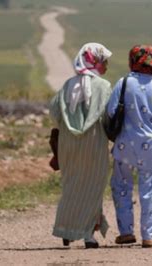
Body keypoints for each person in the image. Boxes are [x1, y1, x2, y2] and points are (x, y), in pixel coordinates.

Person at [49, 43, 113, 249]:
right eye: (104, 61)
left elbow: (55, 113)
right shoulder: (103, 86)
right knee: (92, 188)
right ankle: (88, 235)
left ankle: (67, 228)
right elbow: (108, 116)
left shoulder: (67, 85)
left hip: (68, 144)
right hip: (94, 142)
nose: (106, 65)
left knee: (72, 186)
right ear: (95, 61)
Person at [107, 45, 152, 248]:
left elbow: (110, 111)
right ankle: (148, 235)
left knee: (121, 187)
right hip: (151, 146)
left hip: (125, 145)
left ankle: (126, 231)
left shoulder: (124, 82)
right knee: (150, 190)